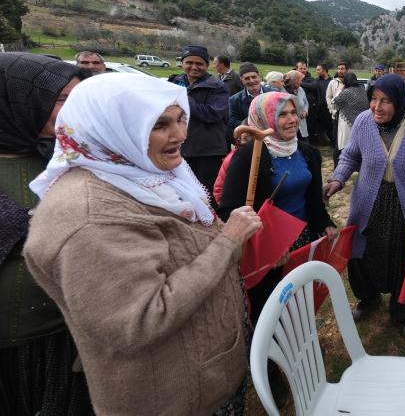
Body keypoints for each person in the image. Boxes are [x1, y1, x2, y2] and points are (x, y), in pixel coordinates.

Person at [23, 73, 262, 415]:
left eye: (180, 119)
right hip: (170, 399)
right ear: (110, 127)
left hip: (202, 378)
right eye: (159, 124)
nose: (180, 134)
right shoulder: (91, 219)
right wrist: (228, 242)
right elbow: (141, 320)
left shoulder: (139, 173)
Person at [0, 53, 93, 416]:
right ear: (18, 99)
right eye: (61, 99)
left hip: (62, 338)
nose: (72, 110)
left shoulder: (69, 161)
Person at [324, 74, 405, 343]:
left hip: (404, 207)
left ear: (398, 101)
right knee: (363, 255)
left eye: (385, 101)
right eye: (374, 99)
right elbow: (350, 154)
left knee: (403, 259)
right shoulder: (364, 122)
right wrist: (337, 179)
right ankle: (369, 298)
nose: (377, 106)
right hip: (369, 203)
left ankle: (402, 313)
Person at [218, 91, 337, 325]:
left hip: (302, 241)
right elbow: (229, 211)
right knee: (271, 308)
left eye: (294, 112)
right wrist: (267, 245)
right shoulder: (248, 157)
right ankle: (270, 347)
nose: (292, 119)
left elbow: (313, 200)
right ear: (264, 118)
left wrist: (324, 223)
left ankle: (300, 339)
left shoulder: (307, 152)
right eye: (282, 114)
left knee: (300, 301)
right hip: (266, 248)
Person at [167, 45, 230, 203]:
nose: (194, 67)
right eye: (189, 62)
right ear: (182, 63)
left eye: (199, 63)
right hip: (178, 147)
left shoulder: (218, 87)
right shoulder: (174, 82)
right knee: (181, 193)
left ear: (207, 65)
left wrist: (182, 97)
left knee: (206, 195)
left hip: (207, 151)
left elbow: (212, 114)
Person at [332, 72, 369, 166]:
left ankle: (341, 167)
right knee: (358, 148)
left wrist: (340, 89)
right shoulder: (363, 91)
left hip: (346, 124)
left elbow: (334, 103)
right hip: (361, 124)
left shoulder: (346, 92)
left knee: (344, 148)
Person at [229, 62, 274, 134]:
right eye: (247, 78)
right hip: (250, 136)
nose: (251, 81)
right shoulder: (234, 100)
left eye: (254, 77)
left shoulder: (273, 94)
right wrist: (252, 126)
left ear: (259, 76)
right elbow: (233, 122)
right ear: (242, 80)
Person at [283, 70, 309, 140]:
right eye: (300, 80)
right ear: (294, 80)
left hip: (301, 124)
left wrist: (305, 111)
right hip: (289, 125)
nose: (301, 82)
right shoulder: (283, 91)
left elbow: (306, 103)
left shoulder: (301, 90)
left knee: (305, 142)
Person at [312, 63, 333, 145]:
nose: (317, 71)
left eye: (318, 70)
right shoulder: (317, 80)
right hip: (320, 110)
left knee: (330, 129)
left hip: (330, 110)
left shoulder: (332, 81)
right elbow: (311, 87)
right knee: (320, 128)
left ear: (324, 70)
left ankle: (334, 144)